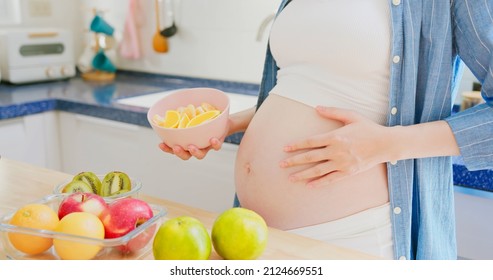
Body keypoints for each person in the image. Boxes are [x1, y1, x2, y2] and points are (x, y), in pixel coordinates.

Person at [159, 0, 493, 260]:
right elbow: (306, 87)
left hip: (357, 236)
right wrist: (228, 124)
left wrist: (386, 144)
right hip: (253, 231)